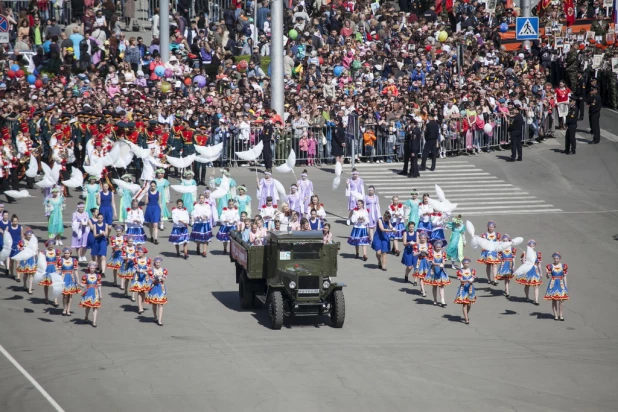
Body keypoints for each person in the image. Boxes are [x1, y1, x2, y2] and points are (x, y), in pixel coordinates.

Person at [423, 240, 451, 307]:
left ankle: (442, 300)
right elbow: (432, 262)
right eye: (437, 247)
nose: (438, 248)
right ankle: (435, 300)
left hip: (441, 270)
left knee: (441, 286)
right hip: (434, 270)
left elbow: (444, 261)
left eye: (440, 247)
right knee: (434, 286)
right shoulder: (431, 253)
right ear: (435, 247)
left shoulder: (443, 253)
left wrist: (442, 264)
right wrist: (438, 264)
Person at [515, 240, 543, 305]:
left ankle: (536, 300)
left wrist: (540, 272)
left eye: (533, 246)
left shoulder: (537, 254)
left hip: (535, 270)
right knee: (527, 284)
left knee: (536, 285)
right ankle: (527, 297)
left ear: (534, 246)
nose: (532, 247)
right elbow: (523, 263)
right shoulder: (525, 253)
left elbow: (539, 264)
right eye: (530, 246)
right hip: (528, 269)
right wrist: (524, 256)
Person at [191, 193, 217, 257]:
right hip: (198, 223)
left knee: (205, 238)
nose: (201, 199)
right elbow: (193, 213)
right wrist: (198, 216)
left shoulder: (207, 205)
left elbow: (209, 212)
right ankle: (198, 247)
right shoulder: (196, 205)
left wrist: (206, 216)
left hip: (205, 223)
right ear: (199, 199)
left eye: (202, 198)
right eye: (200, 198)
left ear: (204, 199)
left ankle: (204, 251)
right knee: (198, 237)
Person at [544, 252, 569, 321]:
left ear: (559, 259)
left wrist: (565, 286)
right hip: (553, 283)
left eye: (557, 259)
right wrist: (547, 274)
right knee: (554, 300)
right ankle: (555, 315)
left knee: (561, 300)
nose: (555, 260)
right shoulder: (550, 266)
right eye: (554, 259)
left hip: (561, 283)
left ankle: (561, 315)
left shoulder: (563, 266)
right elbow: (547, 277)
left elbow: (564, 277)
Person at [476, 221, 501, 286]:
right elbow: (483, 243)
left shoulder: (497, 234)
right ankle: (489, 279)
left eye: (492, 227)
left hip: (494, 251)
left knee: (494, 265)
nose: (491, 228)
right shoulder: (485, 234)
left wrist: (498, 252)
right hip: (487, 252)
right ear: (488, 227)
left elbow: (498, 243)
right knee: (488, 265)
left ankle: (495, 279)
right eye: (490, 227)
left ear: (494, 227)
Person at [145, 256, 168, 326]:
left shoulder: (164, 270)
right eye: (157, 262)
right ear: (154, 263)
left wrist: (161, 278)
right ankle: (155, 316)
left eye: (159, 262)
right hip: (154, 288)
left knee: (161, 304)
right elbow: (151, 281)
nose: (158, 264)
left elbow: (164, 279)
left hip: (161, 288)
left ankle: (160, 320)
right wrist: (156, 278)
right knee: (154, 304)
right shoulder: (151, 271)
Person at [58, 247, 80, 316]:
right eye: (65, 253)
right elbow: (58, 270)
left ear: (70, 253)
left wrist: (78, 280)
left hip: (71, 278)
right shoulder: (60, 260)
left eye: (68, 253)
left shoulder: (74, 260)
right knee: (64, 295)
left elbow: (76, 271)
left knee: (70, 295)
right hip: (63, 277)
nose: (67, 255)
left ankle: (68, 310)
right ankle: (64, 308)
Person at [454, 258, 476, 324]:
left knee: (469, 304)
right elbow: (461, 280)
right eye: (465, 263)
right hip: (463, 288)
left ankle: (466, 314)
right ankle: (466, 318)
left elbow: (473, 278)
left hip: (470, 288)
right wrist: (467, 280)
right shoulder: (460, 271)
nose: (466, 264)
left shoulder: (472, 270)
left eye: (467, 263)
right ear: (463, 264)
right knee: (464, 304)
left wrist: (472, 280)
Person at [79, 261, 102, 327]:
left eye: (93, 268)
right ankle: (86, 317)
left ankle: (94, 322)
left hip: (95, 292)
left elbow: (99, 286)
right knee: (88, 306)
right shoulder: (85, 276)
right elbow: (83, 285)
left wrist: (100, 294)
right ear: (89, 268)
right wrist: (80, 284)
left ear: (95, 268)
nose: (92, 269)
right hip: (88, 291)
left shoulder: (98, 276)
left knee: (95, 307)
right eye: (91, 268)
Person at [129, 246, 151, 314]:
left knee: (143, 292)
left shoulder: (148, 259)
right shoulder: (136, 259)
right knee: (139, 292)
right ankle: (140, 307)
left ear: (144, 253)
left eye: (140, 252)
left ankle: (142, 305)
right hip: (138, 277)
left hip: (145, 277)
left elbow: (149, 267)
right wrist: (140, 271)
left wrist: (145, 270)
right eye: (138, 252)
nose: (139, 253)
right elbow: (136, 267)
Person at [496, 234, 516, 298]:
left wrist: (514, 265)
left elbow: (513, 258)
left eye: (506, 240)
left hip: (509, 264)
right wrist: (499, 258)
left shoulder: (512, 248)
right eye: (504, 240)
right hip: (504, 264)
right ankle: (507, 291)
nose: (505, 242)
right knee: (506, 278)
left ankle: (506, 288)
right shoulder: (501, 248)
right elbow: (498, 256)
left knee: (508, 278)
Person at [412, 232, 432, 297]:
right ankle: (423, 292)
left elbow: (431, 254)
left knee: (425, 276)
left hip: (426, 262)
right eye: (421, 238)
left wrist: (426, 252)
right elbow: (414, 254)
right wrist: (419, 252)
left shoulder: (428, 245)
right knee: (421, 277)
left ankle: (421, 289)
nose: (423, 239)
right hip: (420, 261)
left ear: (426, 238)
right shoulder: (417, 245)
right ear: (419, 238)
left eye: (424, 238)